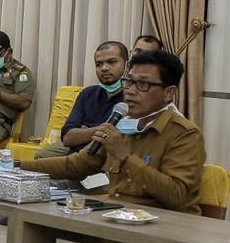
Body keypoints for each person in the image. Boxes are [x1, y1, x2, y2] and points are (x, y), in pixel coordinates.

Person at [15, 51, 205, 214]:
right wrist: (15, 166)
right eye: (129, 82)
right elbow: (75, 165)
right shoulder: (123, 124)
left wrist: (125, 157)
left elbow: (177, 195)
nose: (130, 91)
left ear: (169, 93)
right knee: (35, 221)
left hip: (160, 227)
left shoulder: (184, 134)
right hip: (116, 216)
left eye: (143, 84)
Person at [35, 41, 128, 158]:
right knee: (41, 156)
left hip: (104, 153)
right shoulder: (88, 93)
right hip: (75, 147)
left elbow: (116, 137)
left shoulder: (131, 96)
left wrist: (84, 132)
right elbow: (67, 137)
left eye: (112, 62)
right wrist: (99, 130)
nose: (104, 68)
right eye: (98, 64)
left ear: (127, 65)